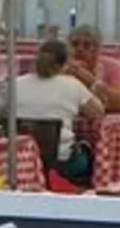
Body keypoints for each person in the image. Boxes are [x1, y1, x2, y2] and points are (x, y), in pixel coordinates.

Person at [16, 39, 105, 181]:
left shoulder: (16, 84)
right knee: (86, 157)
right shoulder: (72, 85)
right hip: (62, 161)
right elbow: (98, 112)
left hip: (21, 160)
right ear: (65, 63)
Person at [66, 24, 120, 114]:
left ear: (97, 48)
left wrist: (91, 81)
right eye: (74, 44)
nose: (79, 49)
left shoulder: (114, 67)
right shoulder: (59, 69)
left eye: (86, 45)